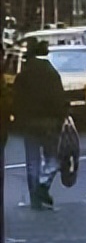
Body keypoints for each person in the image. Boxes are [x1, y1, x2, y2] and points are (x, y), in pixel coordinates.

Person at [12, 39, 69, 210]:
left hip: (29, 123)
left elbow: (16, 101)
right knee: (53, 158)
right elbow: (59, 99)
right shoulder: (52, 74)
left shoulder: (23, 76)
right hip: (49, 123)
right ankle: (43, 184)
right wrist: (63, 116)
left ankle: (34, 197)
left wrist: (18, 119)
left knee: (32, 161)